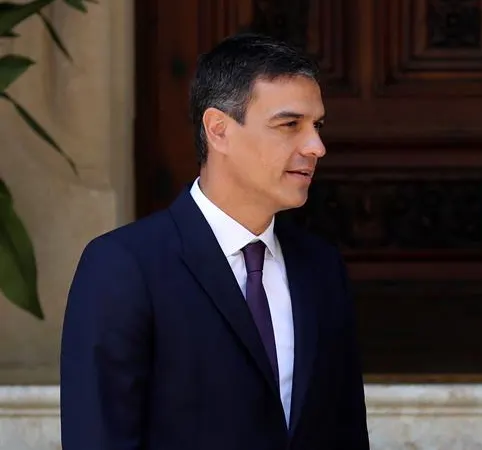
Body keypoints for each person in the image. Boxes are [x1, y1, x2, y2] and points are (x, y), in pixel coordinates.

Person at [60, 33, 369, 450]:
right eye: (290, 124)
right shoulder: (123, 266)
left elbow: (345, 431)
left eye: (317, 126)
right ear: (219, 130)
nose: (316, 146)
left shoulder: (321, 267)